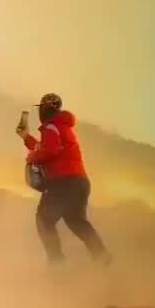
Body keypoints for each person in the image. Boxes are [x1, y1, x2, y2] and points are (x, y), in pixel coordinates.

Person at [17, 94, 109, 264]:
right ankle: (103, 258)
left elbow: (50, 150)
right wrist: (26, 138)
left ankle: (57, 263)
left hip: (63, 182)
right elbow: (46, 147)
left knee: (44, 219)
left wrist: (31, 158)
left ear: (45, 109)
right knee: (76, 221)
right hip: (79, 182)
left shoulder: (51, 127)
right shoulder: (61, 126)